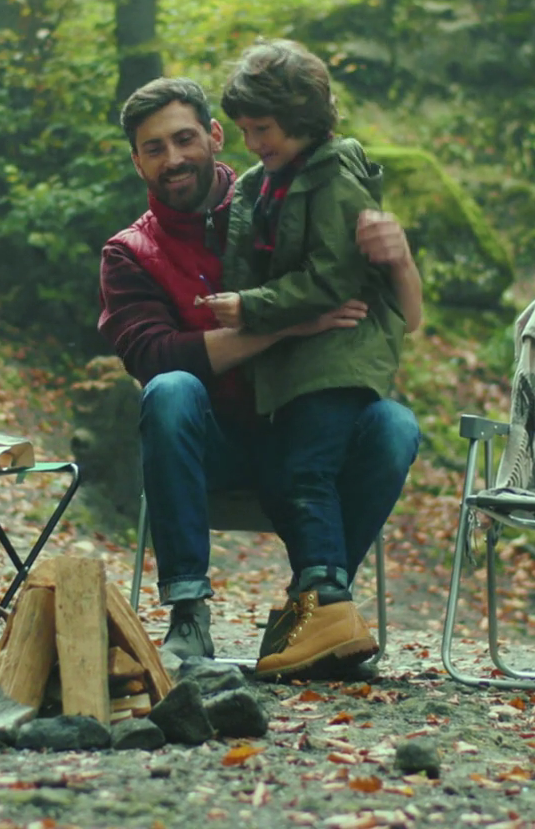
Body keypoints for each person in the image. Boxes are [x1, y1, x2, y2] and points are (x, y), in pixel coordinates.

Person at [97, 75, 423, 671]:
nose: (173, 159)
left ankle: (315, 612)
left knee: (394, 425)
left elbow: (398, 311)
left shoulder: (280, 201)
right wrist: (286, 325)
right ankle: (188, 615)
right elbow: (156, 358)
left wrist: (397, 256)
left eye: (184, 139)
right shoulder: (129, 253)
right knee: (170, 390)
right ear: (137, 162)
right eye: (154, 148)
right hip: (213, 443)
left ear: (216, 136)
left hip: (309, 425)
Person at [196, 39, 412, 679]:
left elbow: (333, 278)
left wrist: (252, 307)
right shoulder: (263, 185)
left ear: (301, 118)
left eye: (262, 129)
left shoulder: (334, 176)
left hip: (338, 361)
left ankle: (325, 604)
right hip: (293, 370)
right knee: (292, 473)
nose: (251, 142)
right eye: (244, 130)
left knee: (305, 474)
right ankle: (319, 618)